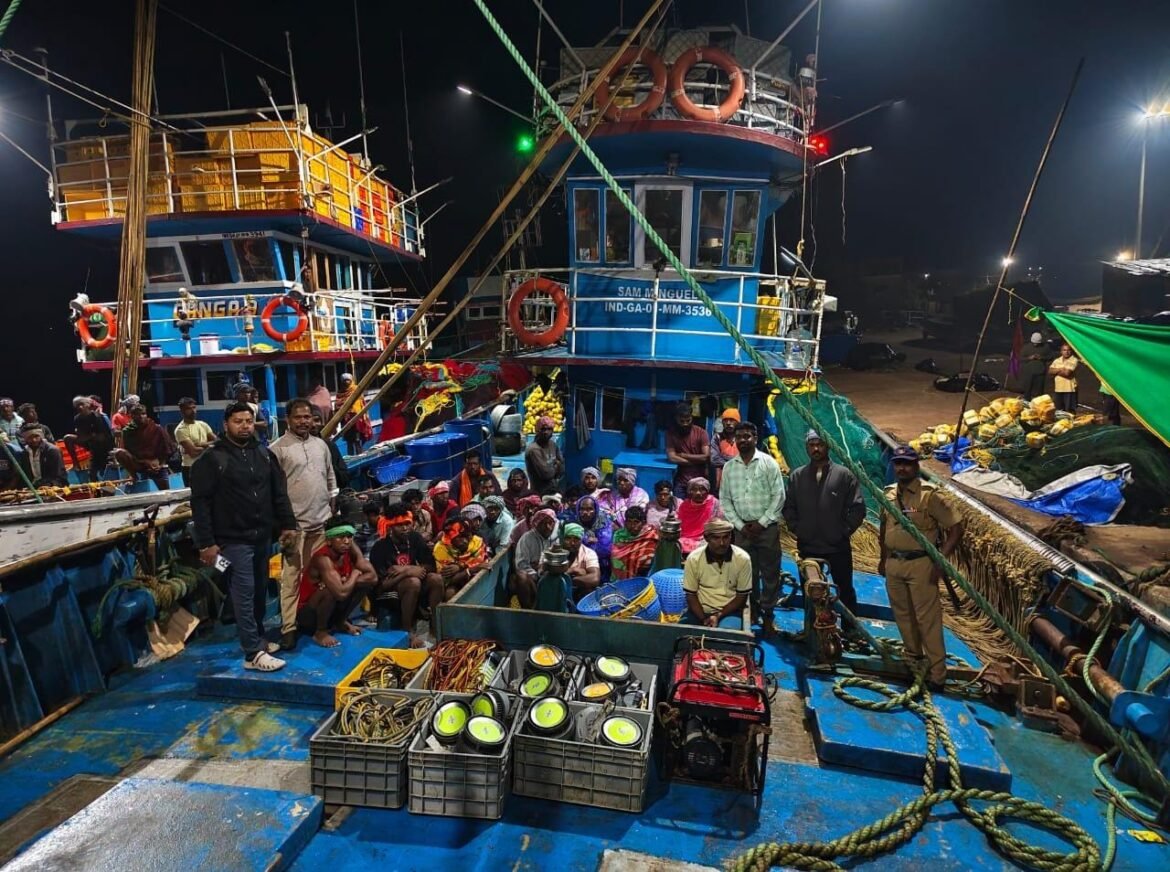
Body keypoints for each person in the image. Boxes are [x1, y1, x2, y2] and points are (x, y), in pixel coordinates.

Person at [191, 401, 297, 672]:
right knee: (244, 592)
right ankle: (252, 653)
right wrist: (207, 545)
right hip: (231, 541)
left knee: (260, 590)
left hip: (262, 537)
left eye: (248, 421)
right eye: (238, 421)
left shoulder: (263, 454)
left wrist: (287, 525)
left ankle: (258, 638)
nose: (244, 426)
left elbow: (279, 493)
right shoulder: (212, 460)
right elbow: (200, 504)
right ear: (225, 425)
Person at [879, 445, 964, 691]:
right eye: (898, 463)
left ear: (916, 466)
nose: (901, 468)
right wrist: (883, 559)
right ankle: (913, 660)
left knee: (928, 619)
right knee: (903, 615)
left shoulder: (930, 496)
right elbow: (885, 526)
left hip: (921, 564)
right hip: (895, 563)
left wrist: (940, 559)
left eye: (907, 463)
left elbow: (956, 528)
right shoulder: (889, 494)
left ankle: (938, 673)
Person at [269, 398, 338, 651]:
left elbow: (330, 476)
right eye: (298, 417)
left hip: (320, 523)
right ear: (288, 419)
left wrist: (333, 500)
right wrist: (283, 525)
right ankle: (288, 628)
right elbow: (273, 491)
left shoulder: (321, 445)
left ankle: (318, 622)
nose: (303, 421)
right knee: (291, 578)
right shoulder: (278, 450)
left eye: (307, 417)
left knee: (318, 576)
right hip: (294, 527)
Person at [782, 429, 867, 619]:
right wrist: (797, 528)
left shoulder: (844, 476)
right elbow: (788, 507)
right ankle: (812, 629)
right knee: (810, 590)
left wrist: (843, 531)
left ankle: (850, 629)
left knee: (844, 588)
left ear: (828, 446)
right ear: (807, 448)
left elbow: (858, 508)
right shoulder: (797, 476)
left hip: (837, 546)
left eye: (820, 444)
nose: (816, 449)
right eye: (812, 445)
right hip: (808, 545)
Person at [720, 421, 785, 636]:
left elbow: (779, 496)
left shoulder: (768, 463)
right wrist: (740, 526)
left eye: (747, 436)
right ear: (735, 440)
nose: (743, 440)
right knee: (746, 574)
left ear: (755, 438)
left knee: (770, 574)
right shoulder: (729, 468)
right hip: (742, 531)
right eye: (739, 437)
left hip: (767, 530)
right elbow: (725, 501)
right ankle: (752, 612)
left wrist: (762, 523)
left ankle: (768, 616)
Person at [369, 502, 443, 647]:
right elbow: (381, 585)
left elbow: (430, 566)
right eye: (400, 525)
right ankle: (407, 631)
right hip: (389, 594)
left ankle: (435, 626)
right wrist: (407, 572)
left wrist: (408, 568)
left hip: (412, 587)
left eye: (407, 524)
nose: (405, 528)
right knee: (413, 582)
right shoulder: (380, 547)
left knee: (436, 579)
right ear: (390, 526)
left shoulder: (415, 538)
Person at [296, 518, 377, 648]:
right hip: (308, 616)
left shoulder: (349, 549)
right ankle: (320, 632)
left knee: (365, 584)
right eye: (341, 537)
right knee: (330, 590)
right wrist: (355, 574)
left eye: (349, 537)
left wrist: (347, 581)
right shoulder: (323, 559)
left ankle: (340, 622)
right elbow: (341, 593)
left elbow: (373, 577)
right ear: (329, 540)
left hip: (331, 609)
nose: (346, 541)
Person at [681, 518, 753, 629]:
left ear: (731, 537)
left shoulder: (742, 559)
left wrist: (717, 616)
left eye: (726, 537)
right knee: (680, 635)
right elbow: (691, 595)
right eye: (716, 538)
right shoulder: (694, 559)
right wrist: (704, 619)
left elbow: (741, 597)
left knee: (725, 635)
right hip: (700, 611)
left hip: (730, 612)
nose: (722, 543)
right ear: (706, 538)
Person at [115, 405, 174, 490]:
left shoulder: (156, 428)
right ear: (132, 416)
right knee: (119, 453)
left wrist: (160, 463)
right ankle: (134, 477)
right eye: (137, 414)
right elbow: (129, 452)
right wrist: (144, 461)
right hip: (140, 463)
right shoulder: (128, 431)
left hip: (156, 464)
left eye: (143, 414)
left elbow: (167, 448)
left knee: (166, 493)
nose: (141, 416)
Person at [511, 508, 559, 608]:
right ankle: (529, 611)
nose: (548, 527)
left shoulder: (558, 538)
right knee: (521, 576)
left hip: (553, 576)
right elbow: (522, 565)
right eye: (544, 523)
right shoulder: (527, 538)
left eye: (550, 523)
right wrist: (538, 574)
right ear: (537, 524)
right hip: (534, 579)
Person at [432, 518, 488, 600]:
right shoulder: (441, 549)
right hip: (455, 583)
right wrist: (469, 570)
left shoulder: (477, 542)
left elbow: (482, 566)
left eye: (467, 536)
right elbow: (447, 580)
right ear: (450, 538)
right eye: (460, 537)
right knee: (450, 593)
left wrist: (460, 566)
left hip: (476, 579)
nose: (465, 541)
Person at [64, 396, 115, 483]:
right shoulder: (77, 419)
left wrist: (89, 436)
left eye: (81, 404)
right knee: (67, 438)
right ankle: (76, 465)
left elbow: (102, 437)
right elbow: (81, 435)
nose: (79, 407)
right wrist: (91, 435)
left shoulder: (98, 417)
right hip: (91, 445)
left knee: (101, 473)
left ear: (87, 405)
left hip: (105, 448)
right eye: (77, 405)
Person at [666, 402, 710, 497]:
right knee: (679, 508)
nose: (685, 424)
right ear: (676, 419)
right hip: (681, 481)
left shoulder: (701, 433)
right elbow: (672, 457)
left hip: (699, 481)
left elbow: (706, 457)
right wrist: (694, 462)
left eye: (688, 420)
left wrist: (683, 455)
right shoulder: (671, 434)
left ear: (692, 418)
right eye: (682, 421)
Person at [569, 495, 614, 583]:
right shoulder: (573, 523)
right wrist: (587, 540)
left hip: (603, 568)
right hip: (579, 567)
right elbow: (570, 546)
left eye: (590, 509)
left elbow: (604, 550)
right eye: (582, 509)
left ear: (596, 510)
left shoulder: (604, 523)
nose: (585, 512)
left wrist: (583, 541)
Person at [173, 398, 216, 487]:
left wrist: (200, 444)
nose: (193, 411)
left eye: (194, 407)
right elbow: (193, 452)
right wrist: (210, 446)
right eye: (189, 409)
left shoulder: (202, 424)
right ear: (182, 411)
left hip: (207, 466)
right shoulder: (181, 430)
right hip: (191, 468)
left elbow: (218, 442)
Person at [610, 505, 659, 580]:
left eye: (636, 522)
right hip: (620, 573)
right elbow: (614, 554)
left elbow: (652, 553)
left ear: (643, 523)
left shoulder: (650, 534)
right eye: (629, 521)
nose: (632, 525)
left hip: (645, 573)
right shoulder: (619, 534)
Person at [677, 477, 724, 553]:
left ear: (707, 491)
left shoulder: (714, 503)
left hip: (706, 537)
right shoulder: (684, 505)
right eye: (694, 489)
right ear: (689, 492)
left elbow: (720, 524)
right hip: (685, 537)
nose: (698, 493)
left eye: (702, 489)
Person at [310, 411, 350, 490]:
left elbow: (344, 478)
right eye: (310, 421)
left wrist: (329, 465)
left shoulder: (329, 446)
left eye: (316, 420)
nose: (313, 425)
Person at [525, 416, 564, 495]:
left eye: (549, 429)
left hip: (553, 490)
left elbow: (562, 468)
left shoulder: (553, 445)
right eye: (543, 429)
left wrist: (556, 467)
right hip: (539, 493)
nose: (546, 432)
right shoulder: (534, 449)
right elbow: (546, 474)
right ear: (537, 431)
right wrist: (556, 465)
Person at [561, 522, 600, 599]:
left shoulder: (589, 553)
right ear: (563, 538)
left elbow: (595, 578)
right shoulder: (553, 551)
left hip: (578, 592)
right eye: (568, 538)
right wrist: (573, 571)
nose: (572, 543)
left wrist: (566, 580)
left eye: (576, 539)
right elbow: (542, 573)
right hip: (557, 591)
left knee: (589, 589)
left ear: (581, 540)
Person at [709, 408, 740, 491]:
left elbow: (746, 460)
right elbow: (714, 459)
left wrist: (723, 457)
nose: (728, 423)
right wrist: (736, 462)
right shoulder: (717, 438)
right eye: (725, 420)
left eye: (732, 420)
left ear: (738, 422)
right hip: (721, 483)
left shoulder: (742, 439)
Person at [1020, 333, 1053, 400]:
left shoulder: (1045, 347)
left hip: (1040, 371)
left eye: (1037, 343)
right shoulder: (1026, 347)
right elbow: (1020, 358)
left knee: (1039, 389)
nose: (1035, 344)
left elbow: (1051, 357)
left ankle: (1038, 403)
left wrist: (1041, 357)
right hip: (1028, 372)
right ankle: (1026, 401)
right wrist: (1029, 358)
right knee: (1027, 388)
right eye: (1034, 343)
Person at [1048, 342, 1079, 413]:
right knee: (1058, 410)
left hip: (1069, 389)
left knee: (1069, 411)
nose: (1066, 352)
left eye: (1068, 350)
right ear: (1061, 351)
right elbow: (1050, 371)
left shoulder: (1074, 360)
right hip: (1058, 388)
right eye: (1064, 350)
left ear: (1071, 351)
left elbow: (1067, 373)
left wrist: (1056, 370)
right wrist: (1060, 369)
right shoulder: (1057, 360)